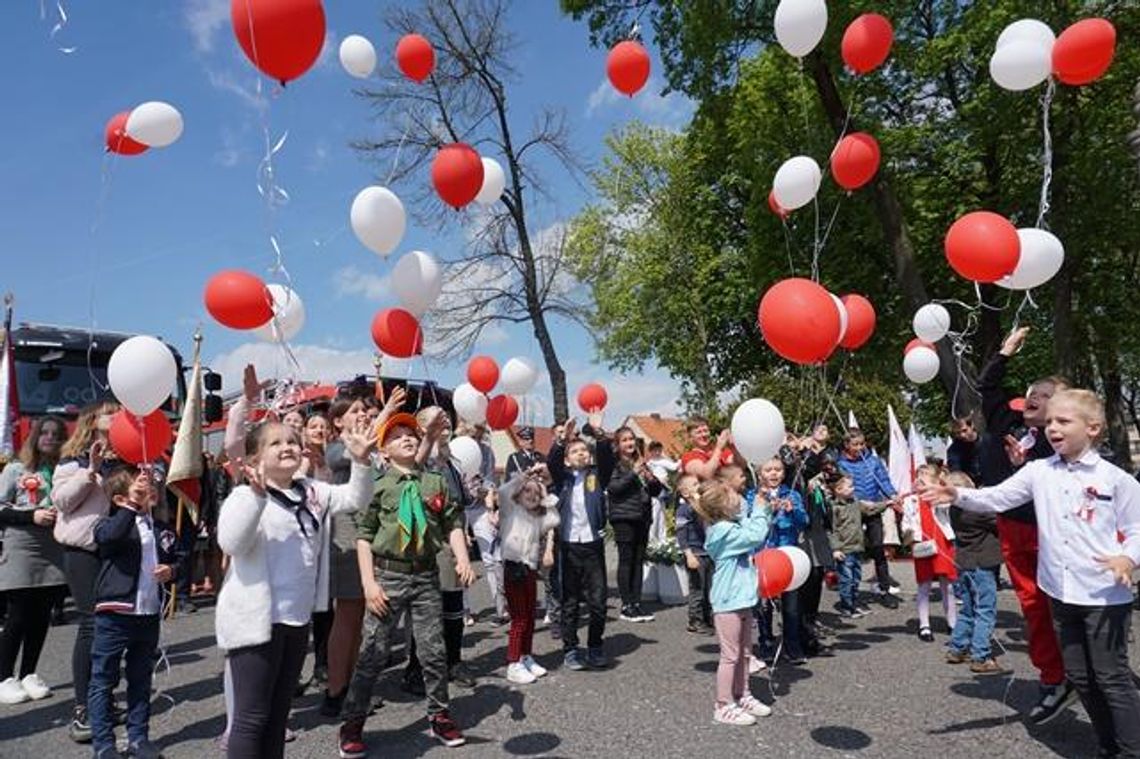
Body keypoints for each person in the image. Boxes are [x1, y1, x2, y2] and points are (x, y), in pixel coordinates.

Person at [919, 389, 1140, 757]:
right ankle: (1108, 747)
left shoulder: (1117, 479)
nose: (1052, 427)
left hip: (1104, 596)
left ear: (1093, 428)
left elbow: (1137, 529)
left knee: (1112, 678)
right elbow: (997, 497)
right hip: (1061, 594)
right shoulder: (1038, 471)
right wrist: (957, 496)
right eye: (1049, 420)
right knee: (1083, 679)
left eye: (1063, 421)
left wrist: (1128, 559)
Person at [216, 418, 375, 759]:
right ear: (256, 458)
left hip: (296, 618)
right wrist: (257, 497)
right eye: (275, 443)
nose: (287, 446)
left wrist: (361, 461)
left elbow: (355, 499)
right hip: (256, 622)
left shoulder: (311, 491)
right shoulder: (244, 495)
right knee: (251, 717)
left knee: (277, 715)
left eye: (291, 440)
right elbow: (231, 541)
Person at [339, 412, 476, 756]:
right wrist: (369, 584)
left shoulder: (435, 481)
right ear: (383, 451)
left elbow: (452, 523)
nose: (407, 437)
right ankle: (353, 722)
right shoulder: (377, 485)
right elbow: (364, 536)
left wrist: (461, 557)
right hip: (388, 575)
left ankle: (439, 715)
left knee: (433, 651)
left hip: (426, 575)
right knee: (373, 652)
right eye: (397, 435)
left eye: (411, 433)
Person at [976, 327, 1073, 723]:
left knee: (1069, 607)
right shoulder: (1010, 423)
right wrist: (1005, 352)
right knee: (1033, 607)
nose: (1034, 396)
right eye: (1032, 391)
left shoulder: (1067, 440)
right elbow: (988, 387)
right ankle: (1054, 680)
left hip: (1054, 532)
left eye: (1046, 394)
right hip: (1013, 527)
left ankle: (1095, 676)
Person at [87, 465, 179, 759]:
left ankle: (138, 737)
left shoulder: (162, 528)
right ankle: (104, 744)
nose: (146, 491)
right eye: (137, 488)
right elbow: (108, 540)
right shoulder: (109, 523)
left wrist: (172, 570)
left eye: (149, 487)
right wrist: (131, 506)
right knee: (104, 678)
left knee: (141, 678)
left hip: (148, 613)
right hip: (115, 613)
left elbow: (181, 559)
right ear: (118, 500)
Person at [52, 402, 119, 743]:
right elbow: (61, 501)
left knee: (113, 627)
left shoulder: (124, 460)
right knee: (92, 625)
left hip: (116, 553)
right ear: (93, 422)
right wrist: (89, 471)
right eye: (111, 411)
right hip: (82, 553)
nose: (118, 415)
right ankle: (82, 708)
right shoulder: (72, 462)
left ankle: (103, 698)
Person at [319, 391, 387, 717]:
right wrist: (386, 410)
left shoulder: (368, 447)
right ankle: (335, 690)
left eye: (365, 409)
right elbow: (354, 453)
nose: (363, 414)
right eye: (355, 410)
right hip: (347, 537)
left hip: (369, 536)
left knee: (360, 617)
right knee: (346, 614)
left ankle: (351, 688)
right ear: (337, 420)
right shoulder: (335, 449)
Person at [403, 406, 478, 693]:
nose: (444, 423)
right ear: (422, 427)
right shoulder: (418, 458)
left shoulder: (452, 461)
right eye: (436, 420)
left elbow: (458, 502)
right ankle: (414, 669)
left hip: (453, 537)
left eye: (445, 419)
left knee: (453, 605)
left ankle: (453, 662)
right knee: (427, 608)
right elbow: (413, 477)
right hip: (428, 539)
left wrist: (465, 531)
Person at [0, 416, 67, 705]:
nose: (50, 438)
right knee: (18, 615)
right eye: (45, 433)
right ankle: (4, 677)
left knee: (41, 616)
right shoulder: (15, 469)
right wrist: (31, 516)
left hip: (52, 549)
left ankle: (29, 673)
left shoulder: (61, 471)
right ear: (35, 436)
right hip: (22, 548)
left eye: (56, 434)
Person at [696, 479, 772, 726]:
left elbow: (749, 528)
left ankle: (743, 694)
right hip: (728, 602)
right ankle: (723, 704)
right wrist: (760, 508)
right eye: (734, 496)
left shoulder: (731, 526)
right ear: (724, 507)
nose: (739, 498)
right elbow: (756, 534)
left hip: (742, 598)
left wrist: (760, 506)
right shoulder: (724, 532)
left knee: (746, 652)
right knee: (730, 656)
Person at [547, 417, 614, 670]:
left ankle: (595, 646)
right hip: (568, 547)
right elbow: (552, 460)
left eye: (584, 450)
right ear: (567, 458)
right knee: (570, 601)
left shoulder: (597, 476)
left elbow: (607, 457)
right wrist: (562, 439)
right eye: (574, 451)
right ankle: (571, 649)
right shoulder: (561, 478)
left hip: (592, 545)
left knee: (598, 601)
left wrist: (598, 432)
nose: (580, 454)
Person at [498, 467, 559, 684]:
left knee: (530, 616)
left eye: (536, 494)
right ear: (519, 494)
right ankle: (513, 662)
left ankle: (526, 656)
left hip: (530, 569)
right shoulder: (510, 511)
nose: (532, 496)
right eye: (527, 492)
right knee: (519, 618)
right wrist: (523, 477)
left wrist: (545, 489)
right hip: (513, 567)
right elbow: (503, 492)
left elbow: (553, 519)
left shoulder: (537, 519)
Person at [945, 471, 1004, 673]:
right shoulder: (976, 511)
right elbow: (999, 521)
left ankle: (958, 647)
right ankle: (981, 655)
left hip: (965, 563)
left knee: (969, 608)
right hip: (981, 564)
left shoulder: (954, 509)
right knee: (985, 610)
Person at [836, 430, 901, 607]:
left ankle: (885, 590)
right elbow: (840, 488)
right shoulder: (840, 464)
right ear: (847, 445)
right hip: (853, 511)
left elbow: (884, 481)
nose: (859, 447)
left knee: (878, 548)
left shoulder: (874, 462)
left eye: (861, 444)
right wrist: (857, 501)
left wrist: (893, 495)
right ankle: (850, 593)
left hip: (873, 509)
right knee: (853, 551)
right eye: (855, 444)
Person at [756, 458, 808, 664]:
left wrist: (792, 510)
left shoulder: (792, 494)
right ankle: (766, 642)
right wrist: (767, 509)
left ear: (784, 473)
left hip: (789, 556)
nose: (774, 473)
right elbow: (750, 521)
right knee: (764, 605)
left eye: (778, 469)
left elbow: (804, 521)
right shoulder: (754, 495)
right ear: (760, 473)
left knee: (791, 605)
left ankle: (792, 645)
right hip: (765, 556)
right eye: (768, 470)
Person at [608, 426, 663, 623]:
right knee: (626, 560)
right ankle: (626, 604)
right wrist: (633, 473)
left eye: (631, 439)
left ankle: (636, 602)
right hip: (623, 517)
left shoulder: (640, 463)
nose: (630, 443)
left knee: (639, 560)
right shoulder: (615, 464)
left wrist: (651, 478)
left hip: (642, 516)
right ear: (618, 444)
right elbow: (614, 489)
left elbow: (656, 491)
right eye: (625, 440)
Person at [911, 465, 958, 643]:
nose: (921, 478)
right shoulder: (912, 500)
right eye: (919, 475)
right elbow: (908, 522)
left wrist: (939, 489)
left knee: (948, 585)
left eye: (926, 475)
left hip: (942, 543)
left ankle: (952, 622)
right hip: (922, 544)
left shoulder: (940, 499)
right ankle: (924, 625)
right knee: (924, 583)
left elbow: (948, 505)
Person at [828, 474, 882, 618]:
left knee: (856, 579)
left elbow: (871, 509)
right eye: (849, 486)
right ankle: (847, 606)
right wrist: (835, 548)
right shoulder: (834, 508)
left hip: (857, 547)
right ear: (838, 489)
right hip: (844, 549)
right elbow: (832, 530)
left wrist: (887, 504)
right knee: (846, 579)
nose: (853, 488)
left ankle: (853, 602)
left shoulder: (855, 503)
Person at [801, 455, 836, 656]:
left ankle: (810, 633)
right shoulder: (795, 478)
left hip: (818, 537)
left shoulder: (819, 484)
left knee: (815, 584)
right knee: (804, 590)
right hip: (802, 540)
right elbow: (805, 469)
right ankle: (803, 639)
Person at [675, 473, 712, 635]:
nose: (699, 487)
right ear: (685, 492)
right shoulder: (684, 509)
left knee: (709, 588)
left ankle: (706, 618)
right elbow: (681, 534)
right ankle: (695, 620)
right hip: (695, 553)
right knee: (697, 588)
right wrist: (688, 554)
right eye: (695, 485)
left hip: (707, 552)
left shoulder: (701, 506)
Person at [681, 417, 735, 481]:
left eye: (705, 431)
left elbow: (740, 465)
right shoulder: (688, 457)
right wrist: (719, 449)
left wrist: (732, 446)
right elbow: (706, 475)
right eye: (699, 432)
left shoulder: (723, 451)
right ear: (690, 437)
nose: (704, 435)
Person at [946, 414, 982, 484]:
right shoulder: (954, 450)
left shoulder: (987, 442)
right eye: (957, 433)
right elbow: (956, 473)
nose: (962, 435)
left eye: (964, 430)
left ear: (971, 426)